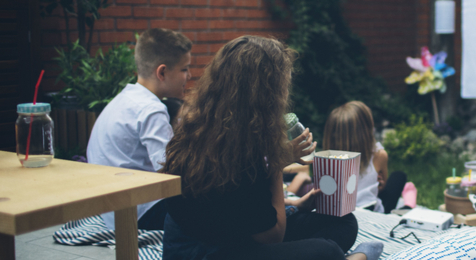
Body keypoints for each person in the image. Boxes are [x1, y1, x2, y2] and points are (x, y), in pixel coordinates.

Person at [160, 36, 382, 260]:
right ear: (265, 94)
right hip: (206, 251)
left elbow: (237, 211)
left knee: (344, 223)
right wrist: (277, 161)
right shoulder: (240, 151)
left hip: (235, 235)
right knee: (327, 252)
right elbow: (273, 236)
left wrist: (296, 205)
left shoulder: (212, 126)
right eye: (282, 87)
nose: (285, 95)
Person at [86, 28, 192, 231]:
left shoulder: (126, 98)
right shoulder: (152, 109)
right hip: (138, 214)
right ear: (162, 72)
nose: (189, 75)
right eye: (184, 69)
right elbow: (170, 170)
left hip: (109, 209)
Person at [320, 101, 407, 214]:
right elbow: (382, 186)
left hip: (338, 212)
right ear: (367, 130)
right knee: (399, 177)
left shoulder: (327, 161)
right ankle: (409, 204)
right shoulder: (379, 155)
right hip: (370, 211)